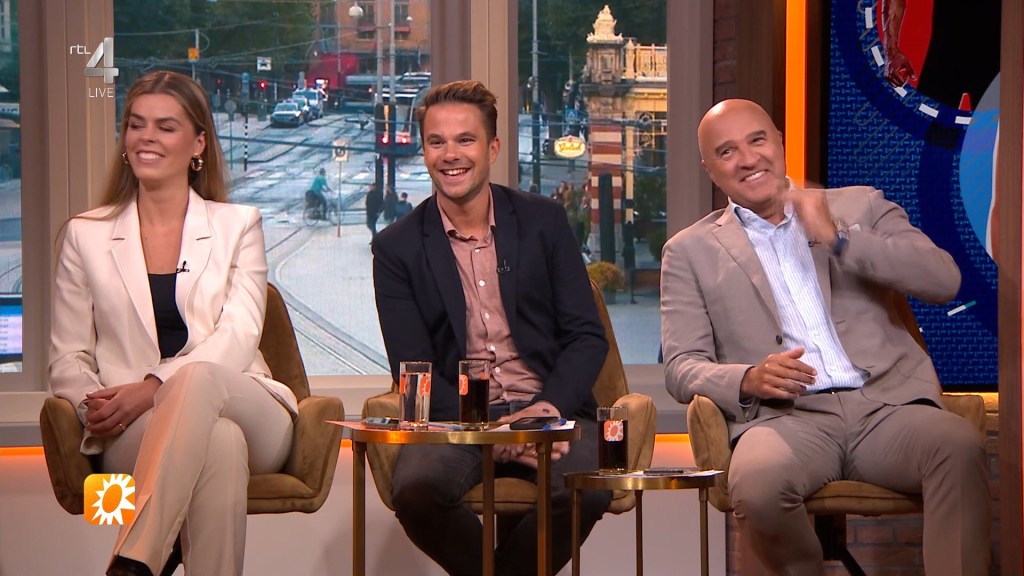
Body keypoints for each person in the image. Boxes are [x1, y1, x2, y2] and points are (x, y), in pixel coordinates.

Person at [660, 99, 990, 575]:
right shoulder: (689, 250)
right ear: (709, 169)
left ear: (779, 141)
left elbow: (944, 280)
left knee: (957, 447)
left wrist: (840, 238)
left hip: (885, 408)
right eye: (727, 152)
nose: (748, 159)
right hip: (786, 421)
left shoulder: (860, 205)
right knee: (757, 483)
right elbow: (681, 366)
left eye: (757, 140)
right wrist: (748, 378)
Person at [49, 71, 297, 576]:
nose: (147, 137)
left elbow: (239, 337)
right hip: (134, 429)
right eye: (136, 124)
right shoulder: (84, 235)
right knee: (220, 445)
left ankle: (133, 557)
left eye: (166, 127)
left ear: (198, 143)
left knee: (199, 378)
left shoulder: (238, 225)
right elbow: (67, 356)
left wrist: (153, 387)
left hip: (250, 406)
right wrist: (95, 404)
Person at [372, 80, 612, 576]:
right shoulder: (397, 248)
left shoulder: (544, 222)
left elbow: (586, 336)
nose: (450, 154)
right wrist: (486, 429)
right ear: (424, 151)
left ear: (493, 148)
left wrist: (544, 412)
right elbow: (412, 369)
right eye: (437, 142)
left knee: (588, 487)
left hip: (548, 408)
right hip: (456, 421)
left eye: (466, 140)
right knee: (415, 491)